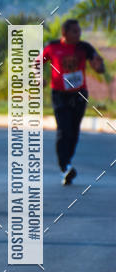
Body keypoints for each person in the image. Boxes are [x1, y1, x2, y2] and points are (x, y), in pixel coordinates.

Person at [43, 19, 105, 185]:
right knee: (64, 130)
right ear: (65, 33)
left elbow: (98, 65)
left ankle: (68, 162)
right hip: (59, 95)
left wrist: (99, 66)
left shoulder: (84, 47)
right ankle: (65, 167)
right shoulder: (52, 47)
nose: (79, 34)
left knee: (74, 132)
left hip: (79, 94)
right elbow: (36, 64)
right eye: (75, 32)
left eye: (79, 31)